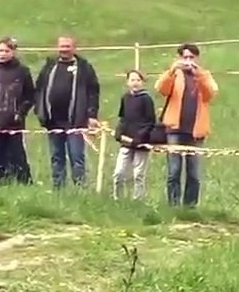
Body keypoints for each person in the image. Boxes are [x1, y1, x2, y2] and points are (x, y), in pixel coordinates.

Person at [34, 35, 101, 189]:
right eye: (62, 46)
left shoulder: (84, 68)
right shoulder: (50, 66)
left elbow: (93, 92)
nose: (64, 49)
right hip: (53, 121)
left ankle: (79, 189)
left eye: (67, 46)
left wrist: (92, 115)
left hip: (76, 121)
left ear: (74, 48)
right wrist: (39, 110)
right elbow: (39, 88)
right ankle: (59, 189)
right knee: (56, 157)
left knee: (76, 157)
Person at [155, 43, 218, 207]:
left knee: (194, 173)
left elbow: (210, 93)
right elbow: (161, 89)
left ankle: (190, 207)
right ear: (180, 58)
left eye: (191, 57)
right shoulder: (175, 74)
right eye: (185, 57)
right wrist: (171, 71)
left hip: (196, 131)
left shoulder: (204, 75)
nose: (188, 60)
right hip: (175, 129)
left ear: (197, 58)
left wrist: (199, 75)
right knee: (174, 171)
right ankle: (173, 205)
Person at [0, 37, 35, 184]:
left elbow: (30, 95)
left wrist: (21, 112)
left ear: (13, 52)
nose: (3, 54)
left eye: (6, 51)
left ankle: (24, 181)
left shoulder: (22, 71)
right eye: (0, 50)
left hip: (14, 121)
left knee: (17, 153)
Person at [111, 70, 156, 200]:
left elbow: (150, 122)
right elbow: (123, 118)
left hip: (141, 143)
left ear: (142, 82)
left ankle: (138, 199)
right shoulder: (125, 98)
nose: (135, 83)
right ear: (127, 82)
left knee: (138, 175)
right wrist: (119, 132)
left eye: (138, 80)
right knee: (119, 173)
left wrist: (139, 138)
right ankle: (117, 198)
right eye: (132, 80)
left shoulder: (146, 99)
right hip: (126, 142)